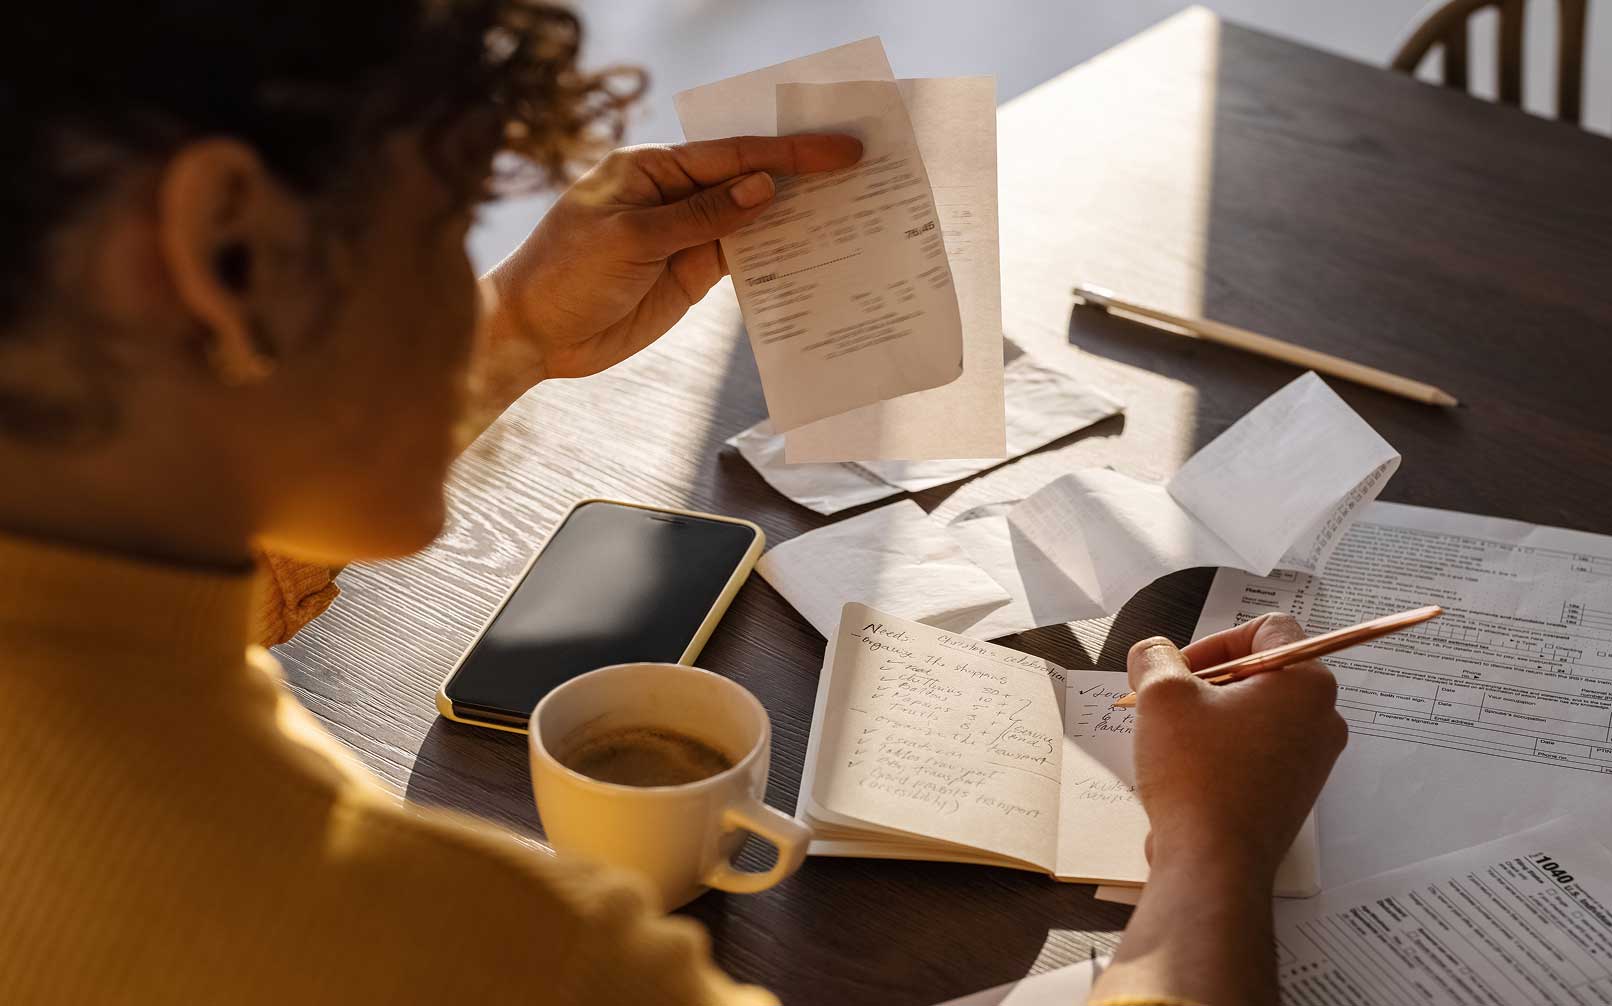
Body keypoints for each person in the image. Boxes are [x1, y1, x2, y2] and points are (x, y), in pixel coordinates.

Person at [0, 3, 1346, 1004]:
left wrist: (516, 331)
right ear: (221, 245)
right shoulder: (471, 949)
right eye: (449, 221)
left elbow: (177, 615)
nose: (473, 270)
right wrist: (1212, 850)